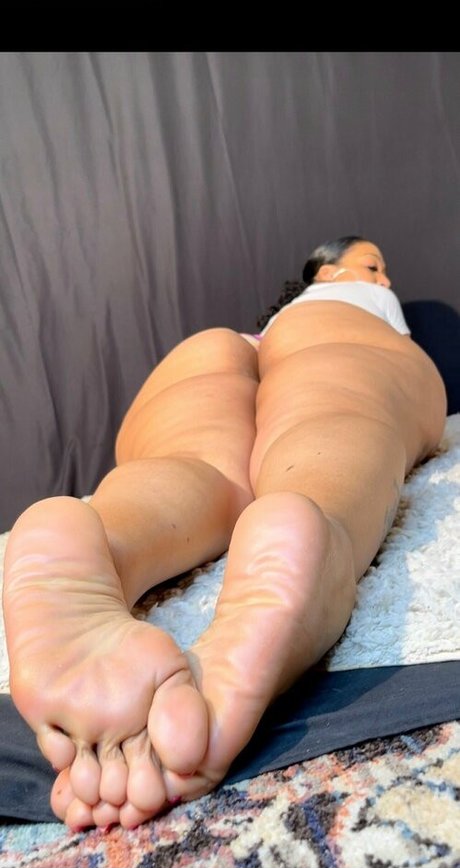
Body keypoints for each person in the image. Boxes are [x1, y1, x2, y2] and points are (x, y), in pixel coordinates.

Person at [3, 237, 446, 831]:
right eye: (374, 266)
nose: (385, 281)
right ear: (327, 272)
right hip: (332, 330)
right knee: (335, 418)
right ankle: (320, 527)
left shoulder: (257, 331)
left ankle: (107, 539)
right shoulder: (350, 299)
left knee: (197, 465)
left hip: (213, 349)